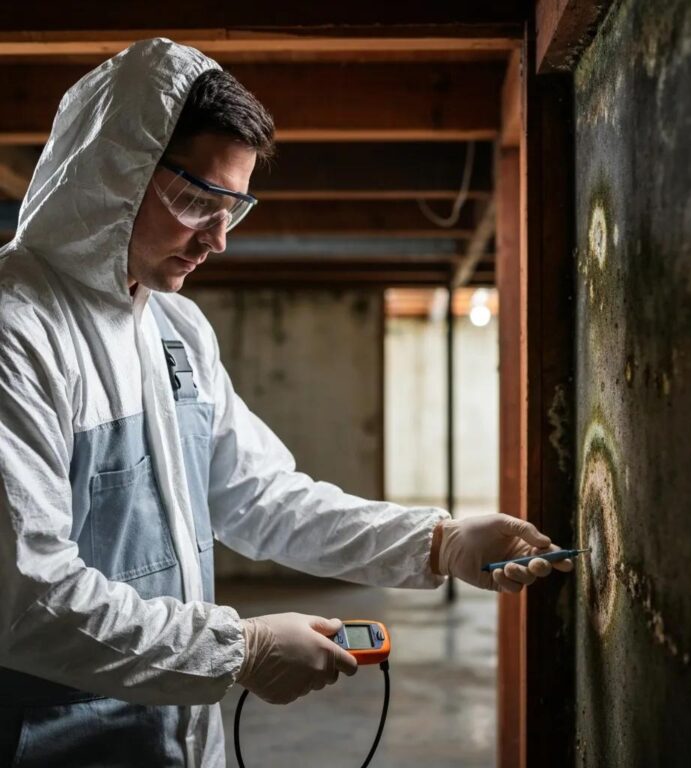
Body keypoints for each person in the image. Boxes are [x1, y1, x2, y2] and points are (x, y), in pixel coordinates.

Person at [0, 38, 572, 767]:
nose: (218, 240)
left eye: (232, 208)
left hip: (171, 743)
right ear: (113, 173)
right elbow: (28, 598)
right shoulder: (18, 330)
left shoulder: (172, 329)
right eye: (195, 201)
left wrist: (438, 542)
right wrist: (241, 649)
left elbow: (260, 497)